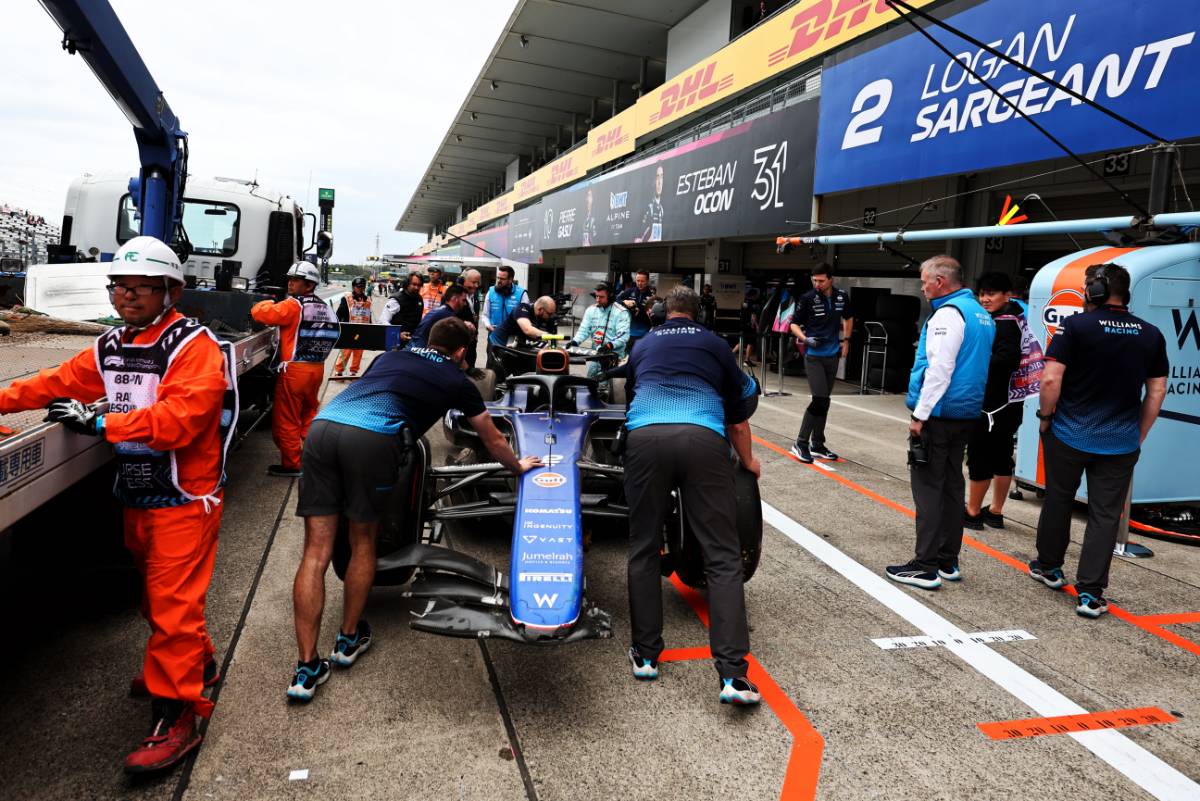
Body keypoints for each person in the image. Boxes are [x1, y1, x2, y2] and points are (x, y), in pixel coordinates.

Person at [0, 236, 234, 773]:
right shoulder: (113, 345)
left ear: (170, 291)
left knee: (172, 608)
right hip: (139, 492)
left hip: (182, 497)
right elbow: (54, 382)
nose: (127, 296)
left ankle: (178, 715)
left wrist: (103, 422)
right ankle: (195, 662)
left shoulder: (192, 347)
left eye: (142, 287)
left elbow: (182, 420)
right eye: (120, 286)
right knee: (158, 600)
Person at [288, 317, 541, 701]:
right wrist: (518, 467)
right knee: (362, 541)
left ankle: (306, 667)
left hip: (323, 428)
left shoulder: (392, 356)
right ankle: (348, 639)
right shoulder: (458, 380)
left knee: (315, 551)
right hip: (371, 439)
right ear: (460, 352)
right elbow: (491, 437)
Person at [623, 285, 763, 706]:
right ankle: (733, 676)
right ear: (699, 313)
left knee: (643, 548)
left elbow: (631, 392)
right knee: (722, 555)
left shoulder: (644, 343)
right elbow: (739, 413)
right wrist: (749, 462)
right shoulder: (716, 344)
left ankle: (646, 655)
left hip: (645, 437)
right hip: (703, 439)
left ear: (664, 312)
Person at [1029, 263, 1168, 618]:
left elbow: (1050, 380)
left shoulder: (1075, 327)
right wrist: (1140, 432)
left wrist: (1046, 419)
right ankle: (1091, 594)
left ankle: (1049, 567)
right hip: (1120, 441)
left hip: (1069, 434)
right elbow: (1156, 390)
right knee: (1105, 516)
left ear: (1094, 291)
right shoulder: (1151, 333)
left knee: (1058, 500)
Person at [887, 255, 995, 590]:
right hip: (966, 413)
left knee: (928, 490)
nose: (922, 287)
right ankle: (948, 559)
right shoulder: (981, 313)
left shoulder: (947, 315)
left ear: (940, 282)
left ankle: (925, 565)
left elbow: (940, 370)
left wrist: (920, 415)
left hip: (939, 415)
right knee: (951, 486)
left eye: (924, 281)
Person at [251, 262, 339, 477]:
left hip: (294, 371)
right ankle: (315, 457)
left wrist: (263, 303)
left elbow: (263, 315)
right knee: (308, 416)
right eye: (290, 278)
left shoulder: (294, 305)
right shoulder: (325, 307)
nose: (290, 283)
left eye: (296, 280)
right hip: (316, 369)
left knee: (287, 420)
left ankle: (292, 464)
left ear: (309, 285)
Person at [964, 272, 1023, 529]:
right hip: (1010, 402)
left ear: (1006, 295)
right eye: (982, 294)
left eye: (991, 294)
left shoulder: (1004, 323)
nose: (985, 299)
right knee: (1002, 455)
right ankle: (996, 511)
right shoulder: (1017, 316)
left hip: (992, 405)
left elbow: (1007, 360)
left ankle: (973, 511)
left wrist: (975, 361)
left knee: (979, 456)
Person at [787, 263, 854, 463]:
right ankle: (801, 442)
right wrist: (805, 339)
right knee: (819, 399)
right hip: (813, 355)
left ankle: (817, 444)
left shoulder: (842, 296)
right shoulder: (807, 298)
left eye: (821, 280)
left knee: (825, 401)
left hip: (832, 355)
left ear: (831, 279)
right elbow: (793, 323)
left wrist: (846, 341)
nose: (817, 284)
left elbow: (849, 318)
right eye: (814, 280)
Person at [568, 282, 630, 378]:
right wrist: (575, 342)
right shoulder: (590, 310)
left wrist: (609, 346)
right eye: (596, 296)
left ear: (610, 296)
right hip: (596, 355)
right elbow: (584, 330)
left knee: (611, 387)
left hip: (614, 356)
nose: (597, 300)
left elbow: (623, 335)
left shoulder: (621, 312)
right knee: (591, 381)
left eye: (601, 297)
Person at [482, 265, 529, 350]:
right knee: (492, 362)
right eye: (498, 278)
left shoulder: (522, 294)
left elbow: (526, 317)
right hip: (495, 334)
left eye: (502, 279)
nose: (499, 281)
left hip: (514, 336)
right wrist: (488, 325)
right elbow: (485, 315)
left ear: (510, 280)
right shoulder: (491, 292)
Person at [333, 276, 373, 377]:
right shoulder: (346, 298)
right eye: (358, 286)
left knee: (358, 352)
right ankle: (339, 371)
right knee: (346, 351)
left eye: (362, 287)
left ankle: (354, 371)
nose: (360, 289)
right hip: (349, 329)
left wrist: (370, 328)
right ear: (353, 287)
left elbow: (369, 315)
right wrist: (338, 326)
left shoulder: (367, 300)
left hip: (361, 329)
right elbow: (339, 314)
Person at [409, 284, 467, 350]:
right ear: (454, 299)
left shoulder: (441, 310)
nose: (465, 304)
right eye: (463, 300)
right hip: (419, 351)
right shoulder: (448, 315)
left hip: (414, 346)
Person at [490, 295, 558, 348]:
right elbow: (528, 330)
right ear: (540, 310)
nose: (551, 316)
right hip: (498, 342)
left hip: (515, 343)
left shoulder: (547, 318)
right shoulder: (522, 309)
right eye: (550, 314)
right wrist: (549, 336)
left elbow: (552, 341)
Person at [616, 270, 654, 356]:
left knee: (637, 358)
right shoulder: (630, 291)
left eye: (642, 281)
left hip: (643, 335)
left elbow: (652, 317)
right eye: (638, 280)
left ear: (647, 281)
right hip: (627, 333)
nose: (639, 283)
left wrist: (638, 309)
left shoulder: (651, 296)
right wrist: (624, 302)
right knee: (623, 358)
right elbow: (616, 301)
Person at [381, 271, 424, 336]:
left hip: (412, 341)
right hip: (396, 341)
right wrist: (397, 334)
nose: (417, 287)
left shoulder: (419, 299)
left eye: (419, 285)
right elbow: (383, 321)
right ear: (407, 284)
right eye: (414, 284)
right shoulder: (395, 300)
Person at [455, 269, 482, 370]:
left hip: (471, 344)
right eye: (474, 282)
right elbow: (447, 318)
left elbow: (475, 316)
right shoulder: (454, 296)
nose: (476, 286)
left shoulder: (474, 295)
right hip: (457, 344)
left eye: (478, 283)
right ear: (463, 281)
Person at [734, 286, 761, 366]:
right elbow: (753, 316)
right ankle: (747, 360)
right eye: (756, 295)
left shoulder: (744, 302)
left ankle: (730, 354)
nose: (757, 296)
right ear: (753, 295)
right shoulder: (753, 304)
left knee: (742, 341)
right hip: (749, 325)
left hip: (742, 324)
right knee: (750, 342)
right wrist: (756, 326)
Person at [640, 165, 664, 242]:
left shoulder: (662, 209)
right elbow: (639, 237)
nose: (660, 182)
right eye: (657, 177)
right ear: (653, 181)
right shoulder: (648, 208)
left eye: (661, 177)